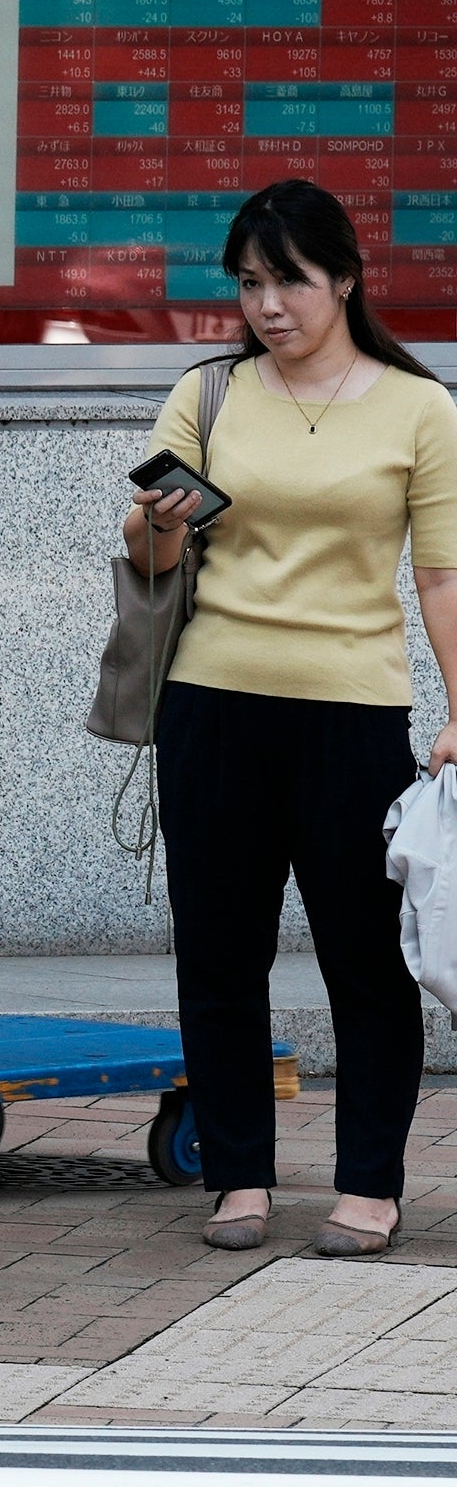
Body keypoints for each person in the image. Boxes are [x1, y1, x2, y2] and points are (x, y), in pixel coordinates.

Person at [127, 178, 453, 1260]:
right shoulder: (210, 392)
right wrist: (156, 526)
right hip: (212, 704)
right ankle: (239, 1176)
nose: (269, 304)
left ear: (347, 278)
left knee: (365, 958)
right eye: (251, 282)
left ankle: (370, 1184)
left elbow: (444, 577)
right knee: (220, 955)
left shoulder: (421, 407)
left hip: (354, 713)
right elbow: (151, 561)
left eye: (291, 280)